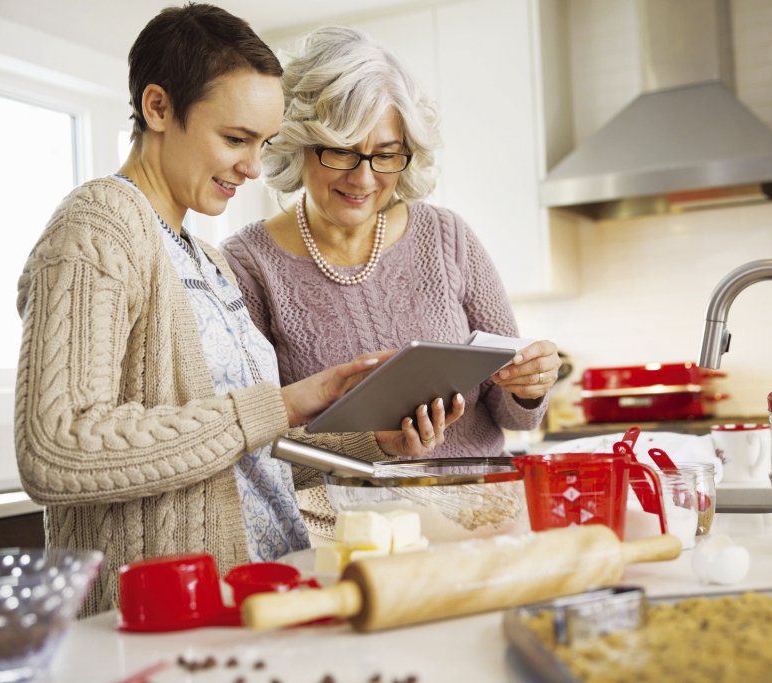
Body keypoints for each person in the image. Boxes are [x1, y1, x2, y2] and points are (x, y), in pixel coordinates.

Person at [14, 6, 457, 615]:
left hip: (261, 597)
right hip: (164, 621)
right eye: (235, 139)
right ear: (159, 108)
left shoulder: (206, 259)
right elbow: (56, 448)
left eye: (264, 143)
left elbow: (246, 457)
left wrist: (369, 441)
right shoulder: (98, 228)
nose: (253, 168)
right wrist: (280, 403)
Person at [221, 26, 561, 538]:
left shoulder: (447, 237)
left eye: (385, 154)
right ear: (297, 142)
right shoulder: (248, 264)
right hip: (346, 537)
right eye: (340, 151)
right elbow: (262, 447)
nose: (363, 179)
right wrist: (375, 444)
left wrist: (531, 387)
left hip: (482, 519)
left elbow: (515, 415)